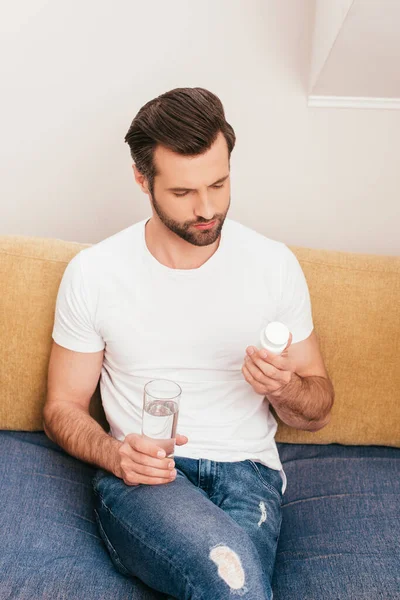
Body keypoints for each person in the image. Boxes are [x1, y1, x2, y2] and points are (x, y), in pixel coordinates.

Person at [43, 87, 334, 600]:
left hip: (250, 475)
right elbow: (62, 407)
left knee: (234, 583)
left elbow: (318, 407)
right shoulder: (95, 273)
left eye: (219, 184)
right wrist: (116, 456)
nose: (207, 209)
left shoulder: (273, 265)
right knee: (234, 583)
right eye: (182, 193)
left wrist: (285, 388)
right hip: (148, 475)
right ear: (142, 180)